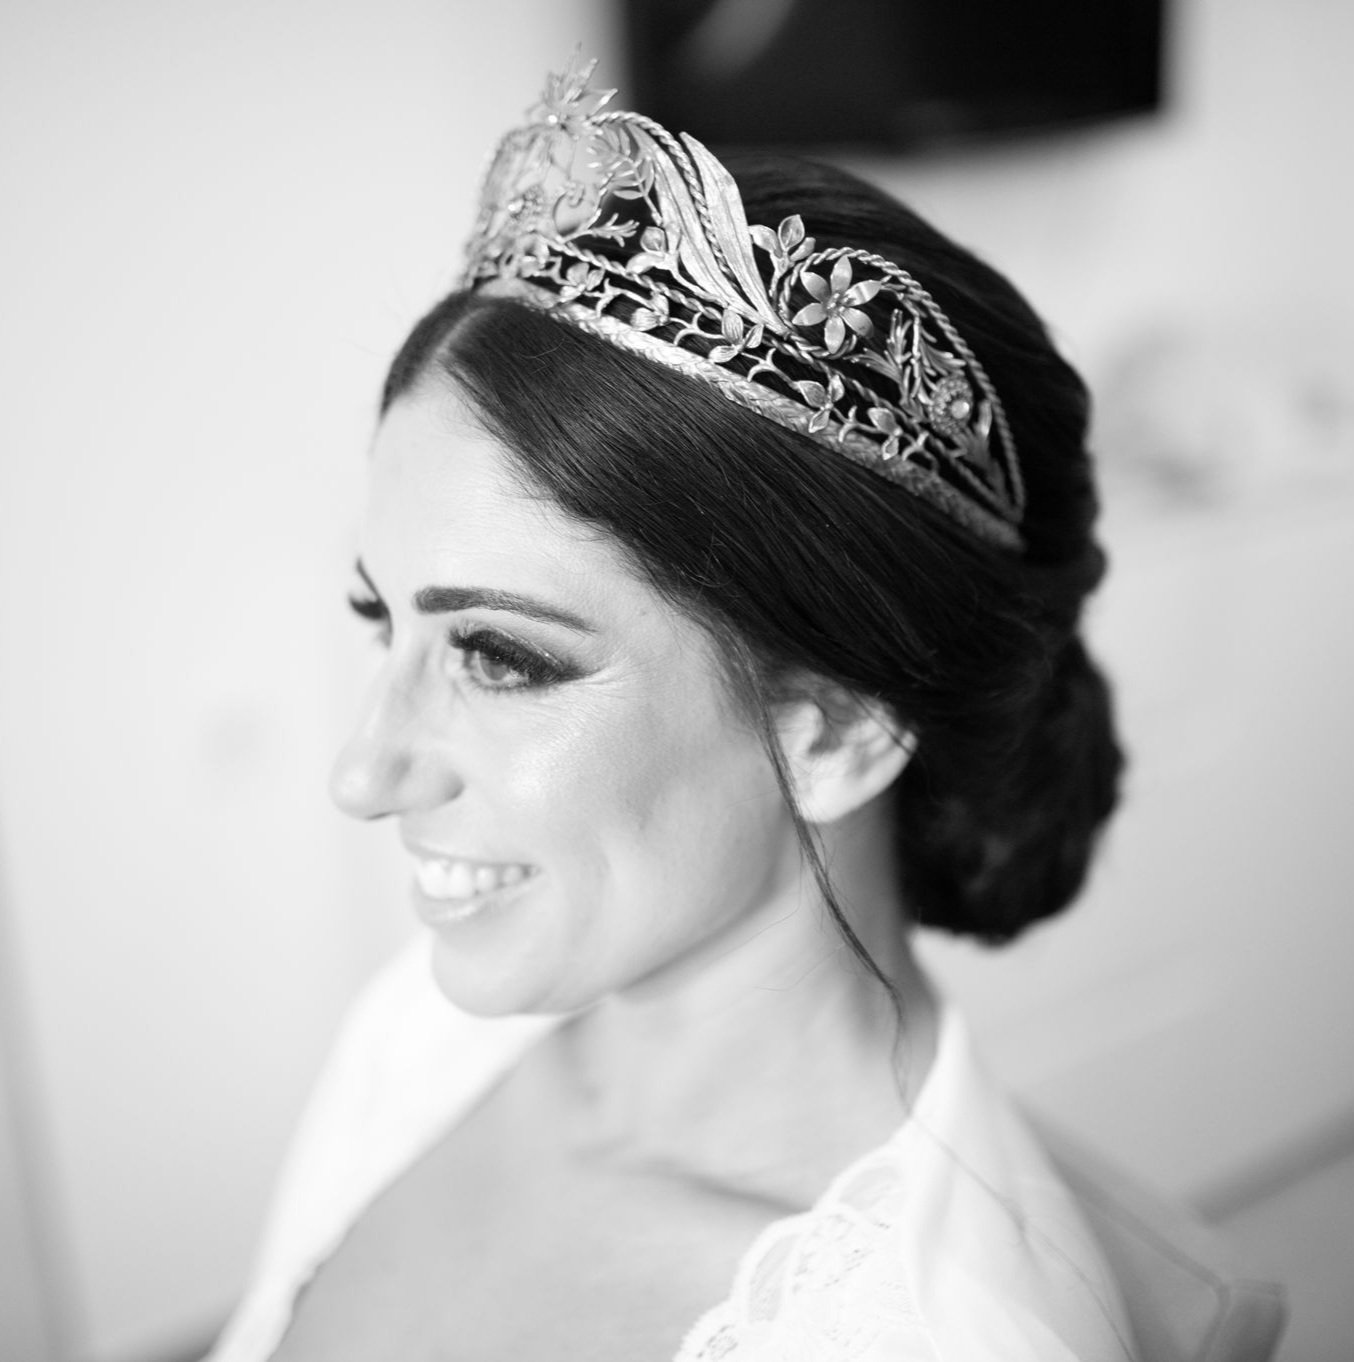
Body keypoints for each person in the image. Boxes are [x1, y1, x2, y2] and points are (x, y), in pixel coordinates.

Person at [208, 57, 1138, 1361]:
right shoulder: (420, 1026)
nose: (364, 775)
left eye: (500, 655)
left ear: (836, 727)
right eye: (385, 622)